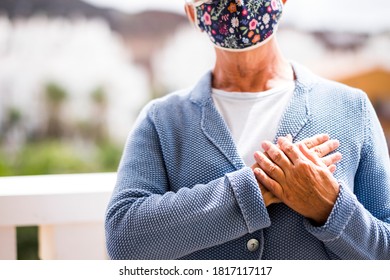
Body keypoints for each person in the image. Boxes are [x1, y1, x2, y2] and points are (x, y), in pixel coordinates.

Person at [105, 0, 390, 259]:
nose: (237, 5)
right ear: (193, 13)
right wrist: (258, 188)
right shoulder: (161, 120)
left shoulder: (352, 108)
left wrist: (328, 207)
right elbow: (123, 240)